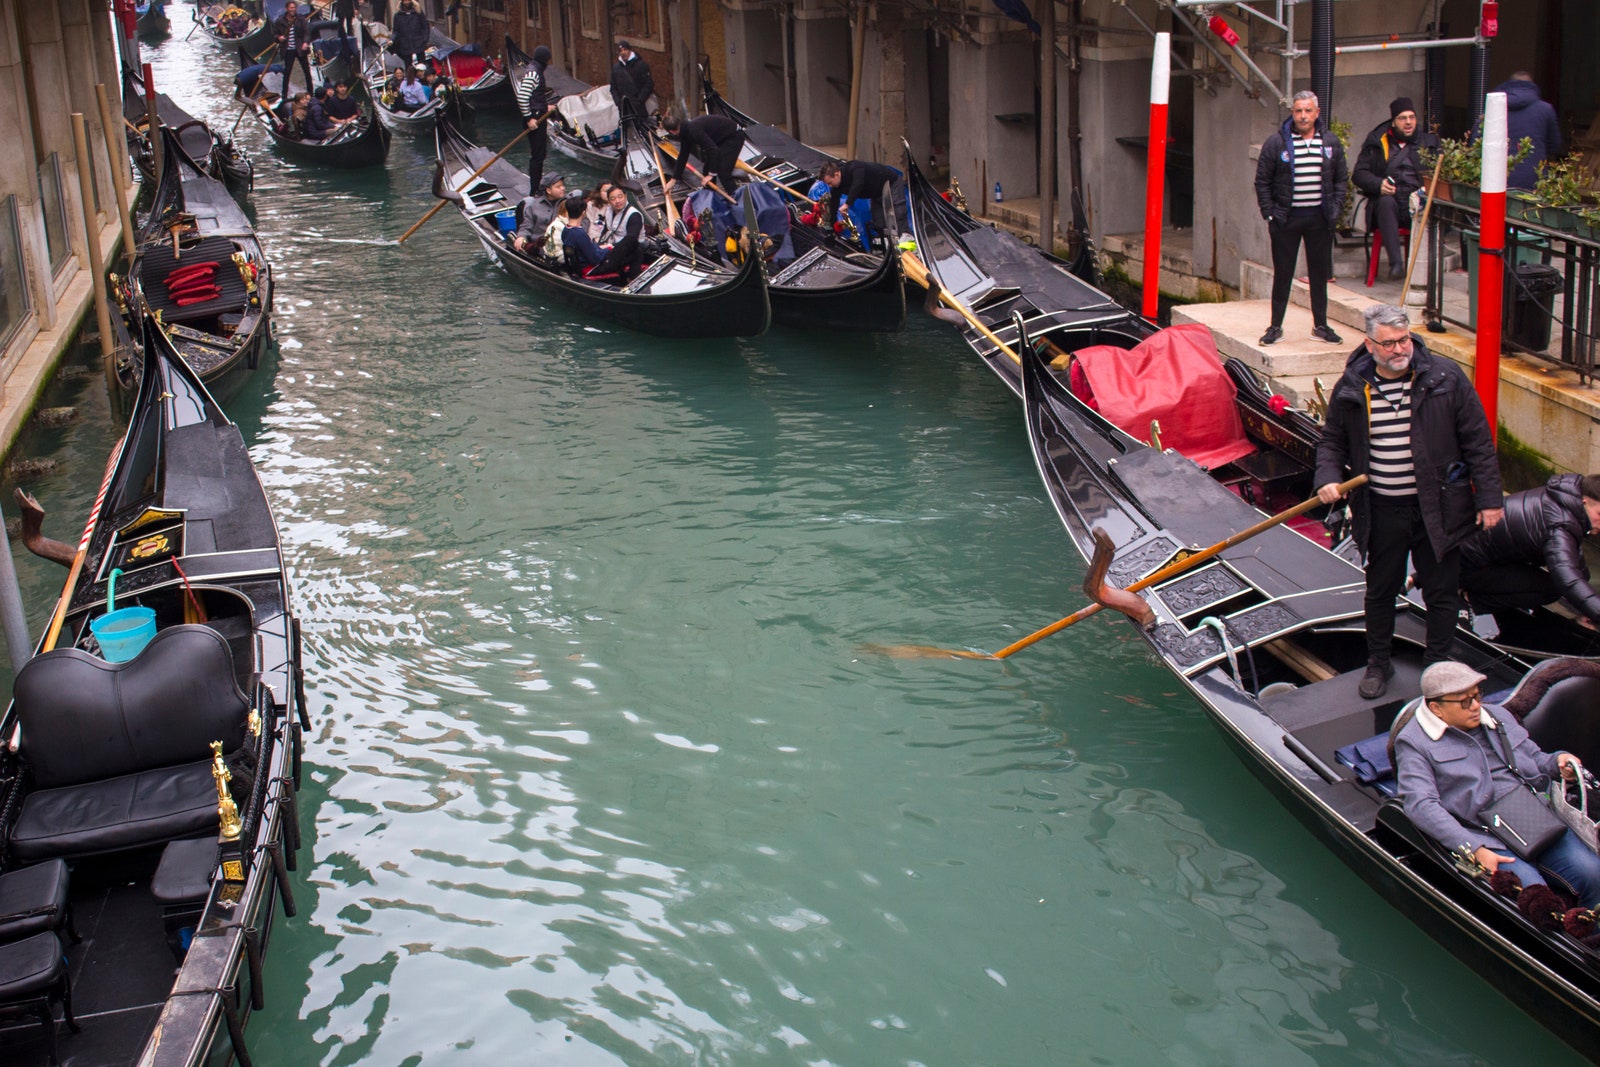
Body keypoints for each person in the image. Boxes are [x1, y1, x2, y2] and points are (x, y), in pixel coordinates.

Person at [1315, 304, 1504, 698]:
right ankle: (1378, 664)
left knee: (1441, 591)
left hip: (1438, 508)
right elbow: (1332, 441)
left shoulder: (1445, 378)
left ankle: (1437, 666)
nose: (1400, 349)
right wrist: (1329, 478)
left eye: (1404, 340)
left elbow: (1478, 441)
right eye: (1389, 343)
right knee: (1381, 589)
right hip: (1382, 508)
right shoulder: (1352, 386)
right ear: (1370, 345)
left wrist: (1489, 500)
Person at [1393, 660, 1599, 906]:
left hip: (1531, 819)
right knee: (1535, 895)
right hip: (1481, 834)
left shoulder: (1498, 717)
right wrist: (1472, 848)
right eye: (1464, 701)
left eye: (1477, 695)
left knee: (1593, 874)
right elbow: (1421, 805)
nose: (1476, 706)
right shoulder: (1413, 743)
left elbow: (1534, 759)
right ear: (1436, 708)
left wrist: (1557, 763)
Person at [1254, 90, 1347, 347]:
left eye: (1308, 111)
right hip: (1286, 219)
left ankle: (1321, 326)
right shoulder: (1277, 143)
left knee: (1319, 274)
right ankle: (1275, 327)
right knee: (1283, 273)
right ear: (1292, 113)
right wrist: (1269, 213)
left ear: (1317, 113)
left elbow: (1341, 178)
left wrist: (1336, 208)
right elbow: (1262, 181)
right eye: (1298, 111)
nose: (1303, 116)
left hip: (1319, 218)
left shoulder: (1330, 142)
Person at [1459, 473, 1600, 629]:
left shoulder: (1562, 498)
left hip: (1473, 549)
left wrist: (1589, 608)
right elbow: (1569, 581)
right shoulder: (1560, 525)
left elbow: (1575, 565)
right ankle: (1468, 600)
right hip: (1463, 565)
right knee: (1552, 589)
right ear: (1584, 501)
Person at [1352, 97, 1440, 281]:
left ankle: (1423, 276)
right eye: (1402, 118)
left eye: (1412, 117)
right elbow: (1359, 174)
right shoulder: (1377, 141)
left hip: (1417, 204)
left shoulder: (1429, 142)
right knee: (1385, 202)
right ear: (1393, 121)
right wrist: (1378, 185)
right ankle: (1396, 264)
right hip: (1386, 207)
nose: (1408, 122)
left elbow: (1441, 175)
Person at [1494, 72, 1562, 191]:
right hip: (1534, 177)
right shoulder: (1545, 109)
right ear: (1532, 86)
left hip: (1496, 177)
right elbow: (1555, 145)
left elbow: (1476, 142)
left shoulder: (1494, 106)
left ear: (1508, 85)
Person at [817, 159, 904, 247]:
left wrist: (847, 204)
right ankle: (887, 244)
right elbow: (833, 206)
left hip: (891, 184)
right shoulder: (836, 187)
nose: (830, 186)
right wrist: (832, 229)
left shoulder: (855, 167)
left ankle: (906, 240)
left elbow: (858, 184)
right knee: (878, 221)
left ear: (836, 174)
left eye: (830, 183)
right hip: (876, 193)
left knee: (899, 214)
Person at [661, 112, 745, 193]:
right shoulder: (685, 131)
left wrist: (711, 175)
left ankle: (738, 199)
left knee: (723, 172)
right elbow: (683, 156)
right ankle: (709, 197)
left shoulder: (693, 130)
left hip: (734, 136)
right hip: (720, 140)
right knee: (706, 170)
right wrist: (674, 179)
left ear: (671, 132)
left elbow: (713, 150)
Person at [515, 44, 557, 193]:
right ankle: (534, 191)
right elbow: (522, 97)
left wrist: (546, 108)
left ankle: (536, 187)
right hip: (534, 120)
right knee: (537, 156)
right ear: (545, 59)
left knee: (540, 154)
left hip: (539, 114)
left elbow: (535, 96)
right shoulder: (533, 73)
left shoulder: (535, 69)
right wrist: (529, 118)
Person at [591, 183, 645, 279]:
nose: (617, 201)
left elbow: (631, 240)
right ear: (609, 201)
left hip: (630, 250)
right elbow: (606, 230)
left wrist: (610, 248)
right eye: (613, 199)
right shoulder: (609, 210)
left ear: (625, 196)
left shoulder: (634, 215)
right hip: (612, 245)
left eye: (620, 197)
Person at [542, 192, 606, 269]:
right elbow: (594, 259)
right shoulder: (578, 233)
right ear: (583, 212)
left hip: (573, 262)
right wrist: (608, 250)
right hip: (582, 267)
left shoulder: (566, 229)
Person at [512, 174, 567, 253]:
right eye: (558, 187)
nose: (563, 188)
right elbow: (527, 225)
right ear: (548, 190)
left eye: (563, 185)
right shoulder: (533, 206)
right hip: (539, 248)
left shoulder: (568, 203)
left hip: (561, 246)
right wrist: (521, 237)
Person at [273, 0, 314, 96]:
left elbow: (307, 32)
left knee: (307, 71)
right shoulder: (280, 21)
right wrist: (279, 38)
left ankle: (311, 93)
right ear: (287, 9)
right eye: (291, 8)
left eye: (294, 8)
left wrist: (305, 42)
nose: (293, 10)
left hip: (300, 48)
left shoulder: (301, 19)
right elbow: (275, 35)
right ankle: (284, 94)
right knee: (287, 72)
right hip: (288, 49)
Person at [609, 40, 654, 124]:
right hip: (624, 108)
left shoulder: (641, 65)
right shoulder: (616, 68)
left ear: (629, 50)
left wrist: (640, 100)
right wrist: (618, 102)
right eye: (620, 51)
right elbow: (613, 87)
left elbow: (648, 84)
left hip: (638, 107)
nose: (623, 53)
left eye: (625, 50)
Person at [389, 0, 430, 64]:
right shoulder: (397, 15)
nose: (407, 2)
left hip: (419, 43)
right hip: (405, 44)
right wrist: (392, 40)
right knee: (408, 66)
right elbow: (396, 31)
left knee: (421, 65)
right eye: (405, 0)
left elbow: (425, 26)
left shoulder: (418, 12)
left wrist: (425, 39)